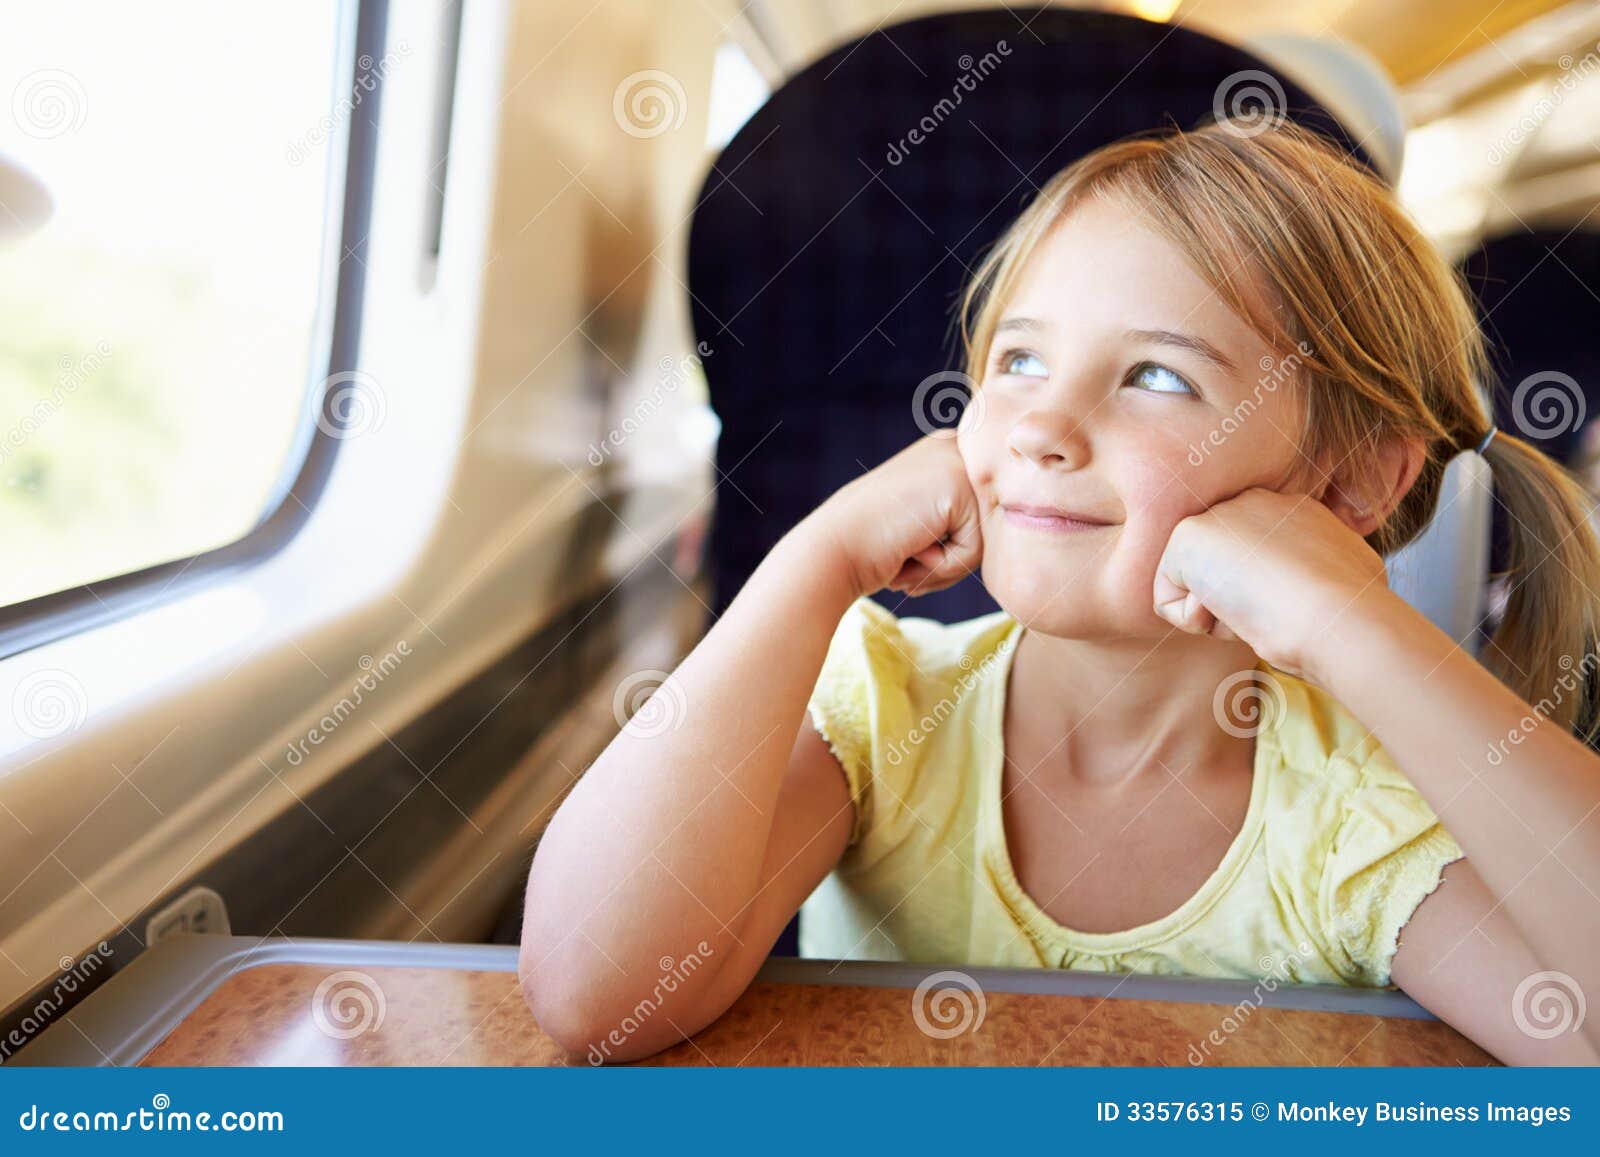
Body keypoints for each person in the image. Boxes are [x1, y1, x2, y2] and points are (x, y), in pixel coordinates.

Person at [519, 118, 1600, 1066]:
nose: (1040, 425)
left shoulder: (1345, 810)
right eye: (1020, 362)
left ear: (1351, 479)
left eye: (1156, 377)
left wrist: (1349, 624)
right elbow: (594, 997)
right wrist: (815, 561)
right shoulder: (888, 711)